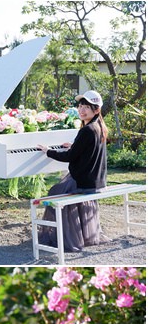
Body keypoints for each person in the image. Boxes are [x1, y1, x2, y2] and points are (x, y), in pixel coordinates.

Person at [36, 90, 109, 252]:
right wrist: (75, 146)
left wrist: (48, 151)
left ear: (96, 110)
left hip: (85, 183)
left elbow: (69, 157)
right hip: (97, 180)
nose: (81, 110)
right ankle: (81, 233)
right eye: (80, 106)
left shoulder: (87, 130)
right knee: (63, 186)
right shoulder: (99, 127)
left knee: (54, 192)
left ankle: (65, 237)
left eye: (87, 107)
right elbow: (87, 149)